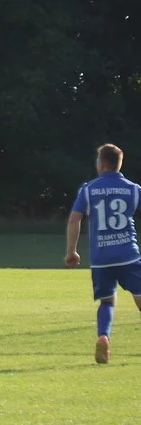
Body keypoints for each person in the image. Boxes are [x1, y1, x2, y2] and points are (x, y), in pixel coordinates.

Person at [65, 143, 141, 364]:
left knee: (107, 301)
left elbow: (74, 219)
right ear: (119, 164)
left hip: (101, 258)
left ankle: (103, 337)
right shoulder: (133, 189)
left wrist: (72, 251)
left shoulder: (88, 189)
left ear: (100, 164)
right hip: (128, 254)